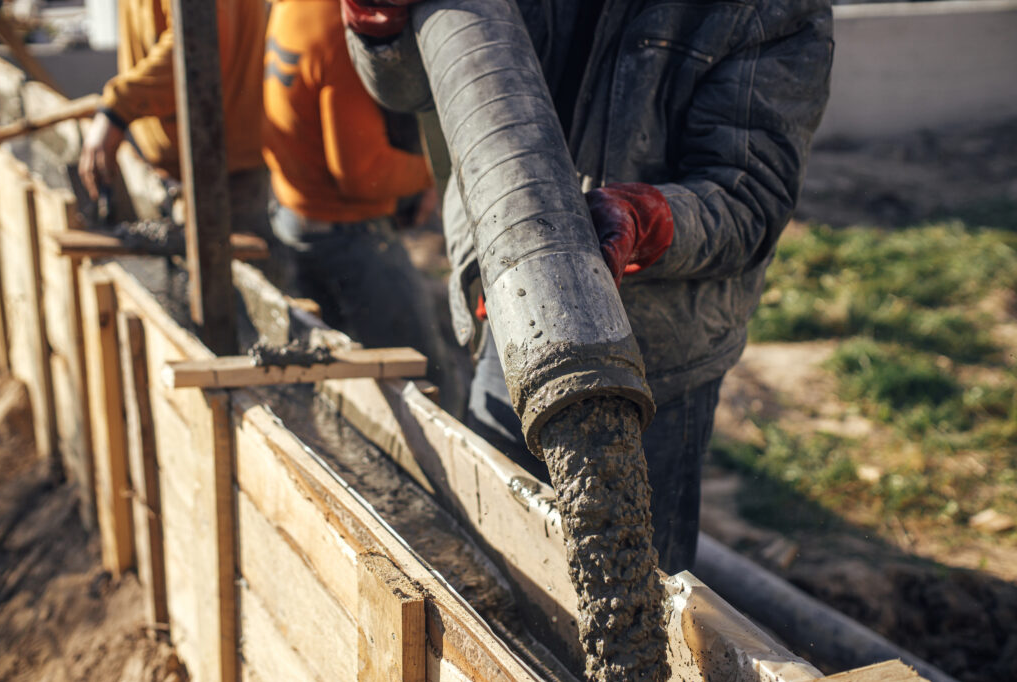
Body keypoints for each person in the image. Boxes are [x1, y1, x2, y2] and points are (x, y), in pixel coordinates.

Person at [341, 0, 833, 574]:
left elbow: (750, 198)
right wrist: (382, 32)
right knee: (493, 572)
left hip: (656, 359)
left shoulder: (767, 11)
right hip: (510, 308)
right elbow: (416, 87)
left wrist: (651, 220)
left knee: (632, 599)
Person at [262, 0, 455, 408]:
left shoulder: (293, 8)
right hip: (348, 236)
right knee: (429, 379)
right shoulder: (342, 30)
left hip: (293, 216)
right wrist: (433, 173)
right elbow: (362, 175)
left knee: (337, 388)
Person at [79, 0, 269, 238]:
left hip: (221, 171)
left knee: (238, 267)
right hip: (185, 167)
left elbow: (197, 44)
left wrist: (115, 111)